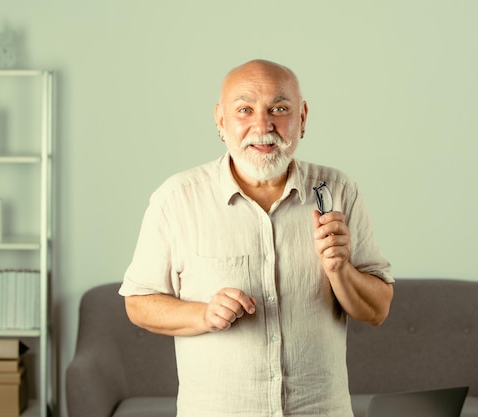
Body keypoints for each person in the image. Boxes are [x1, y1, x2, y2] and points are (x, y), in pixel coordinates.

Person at [119, 59, 394, 417]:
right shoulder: (177, 198)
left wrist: (341, 270)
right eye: (244, 110)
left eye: (279, 109)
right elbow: (138, 303)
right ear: (220, 120)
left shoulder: (339, 191)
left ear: (303, 117)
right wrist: (204, 315)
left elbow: (377, 311)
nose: (262, 126)